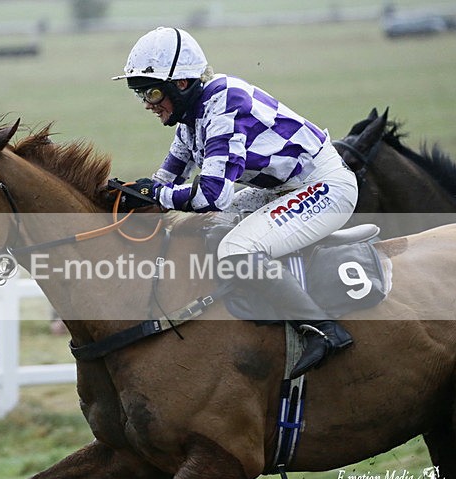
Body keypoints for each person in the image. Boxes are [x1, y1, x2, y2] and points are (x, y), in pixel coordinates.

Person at [113, 27, 359, 378]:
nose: (149, 105)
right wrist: (128, 195)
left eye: (152, 92)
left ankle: (324, 330)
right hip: (286, 188)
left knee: (237, 250)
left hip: (325, 187)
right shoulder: (190, 118)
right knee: (207, 229)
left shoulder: (225, 107)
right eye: (140, 95)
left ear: (181, 84)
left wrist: (158, 195)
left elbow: (210, 196)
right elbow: (165, 182)